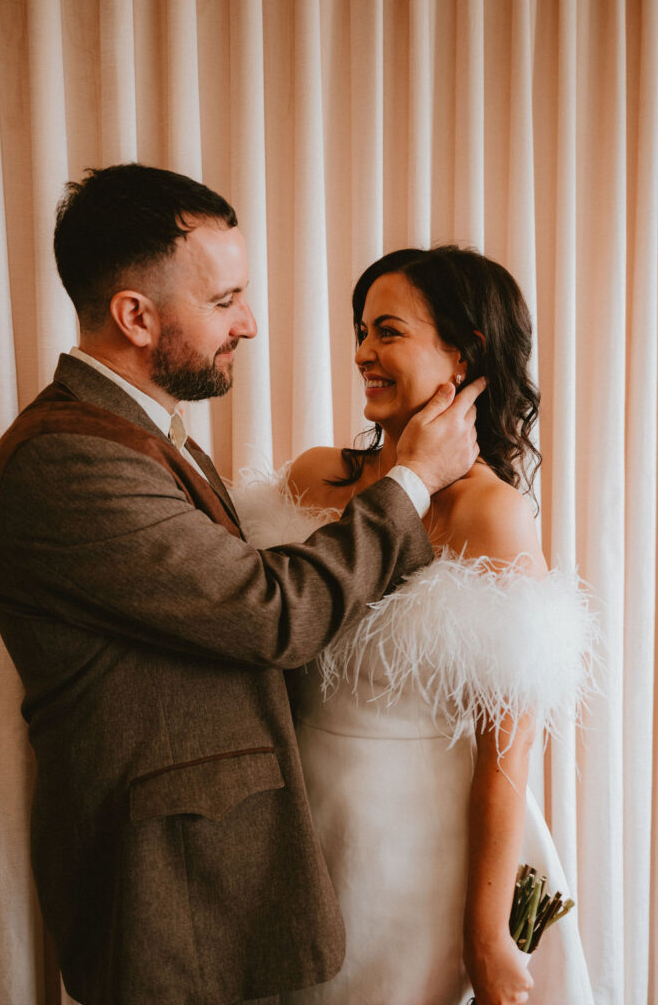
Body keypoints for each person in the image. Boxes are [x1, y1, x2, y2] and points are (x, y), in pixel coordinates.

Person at [0, 167, 486, 1005]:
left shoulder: (139, 434)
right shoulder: (67, 460)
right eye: (225, 301)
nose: (247, 323)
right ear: (136, 316)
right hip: (165, 893)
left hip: (221, 877)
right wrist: (411, 483)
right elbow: (270, 612)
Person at [232, 247, 597, 1005]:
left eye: (387, 331)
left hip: (414, 850)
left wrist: (487, 932)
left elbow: (509, 745)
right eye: (361, 330)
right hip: (292, 828)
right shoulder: (309, 479)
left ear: (462, 353)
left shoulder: (489, 515)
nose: (362, 351)